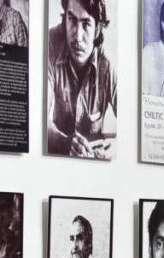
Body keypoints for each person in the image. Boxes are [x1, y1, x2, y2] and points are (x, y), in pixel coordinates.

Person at [47, 0, 118, 160]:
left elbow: (133, 127)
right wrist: (65, 142)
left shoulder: (108, 64)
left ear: (98, 28)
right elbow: (38, 119)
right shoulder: (50, 43)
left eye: (86, 24)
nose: (77, 37)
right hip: (57, 160)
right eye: (71, 20)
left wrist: (117, 147)